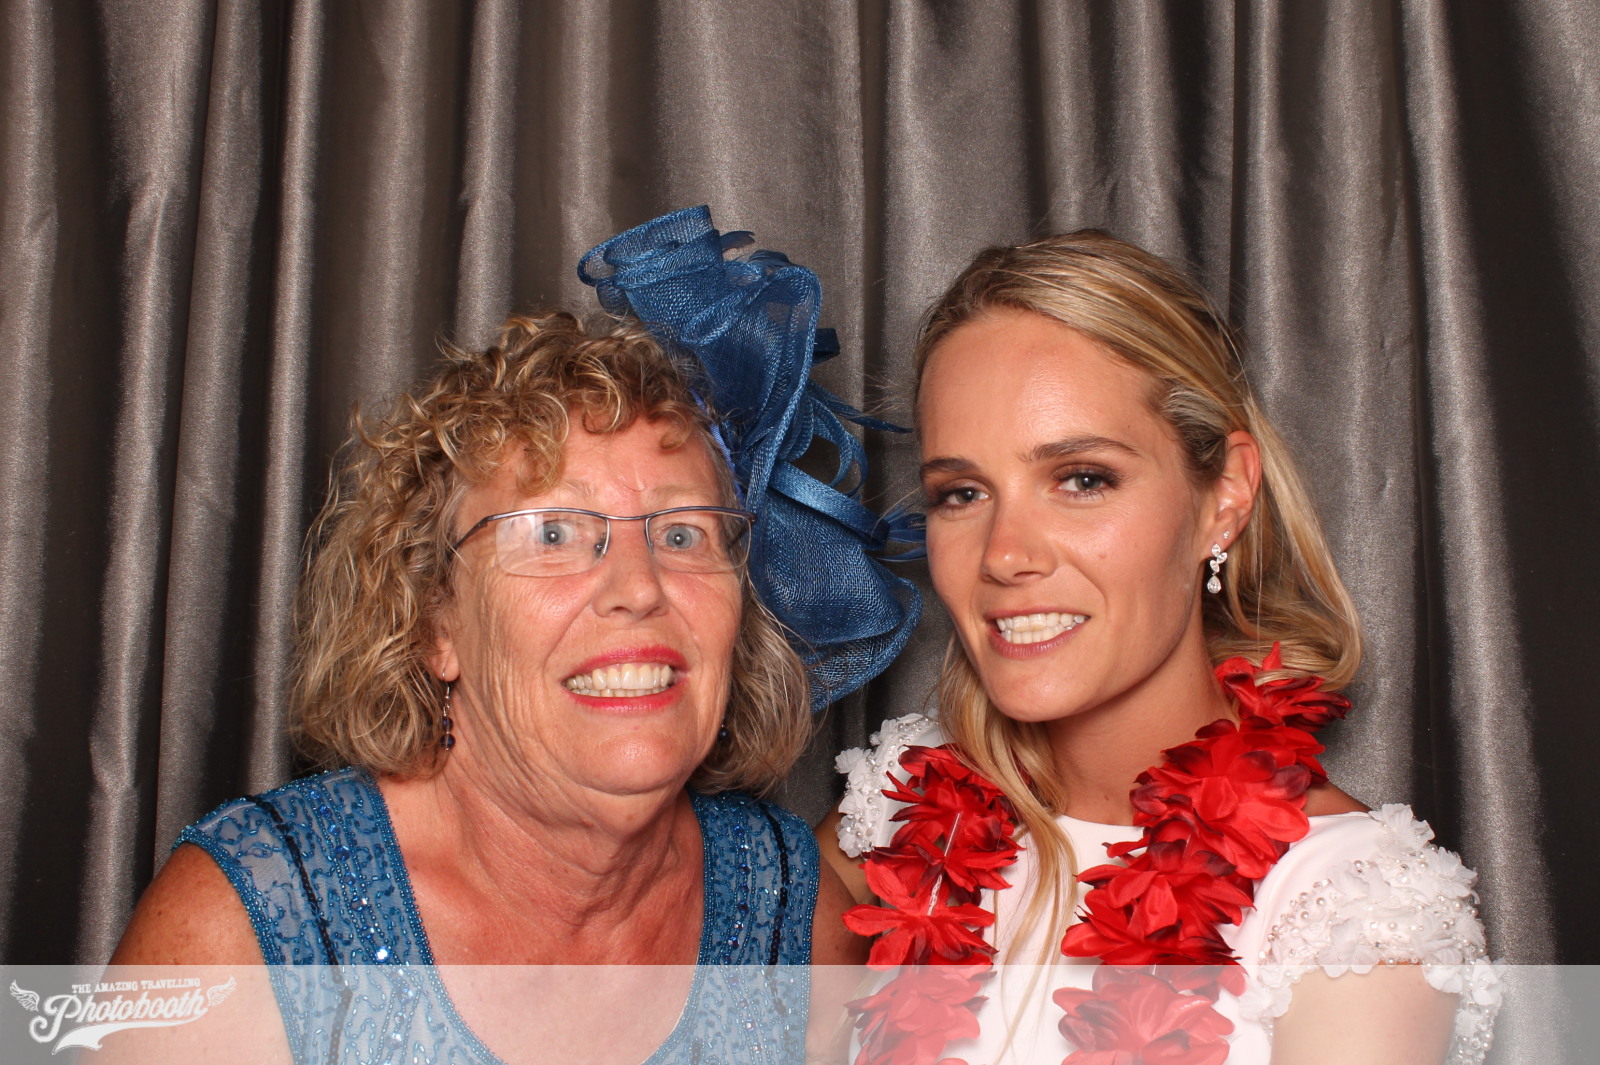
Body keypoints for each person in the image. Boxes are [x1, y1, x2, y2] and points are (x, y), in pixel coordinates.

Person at [111, 208, 919, 1064]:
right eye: (554, 533)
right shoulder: (243, 931)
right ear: (434, 620)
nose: (638, 588)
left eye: (683, 533)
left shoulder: (797, 919)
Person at [820, 231, 1500, 1064]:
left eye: (1082, 478)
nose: (1004, 554)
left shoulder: (1354, 915)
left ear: (1225, 495)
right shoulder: (899, 810)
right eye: (962, 493)